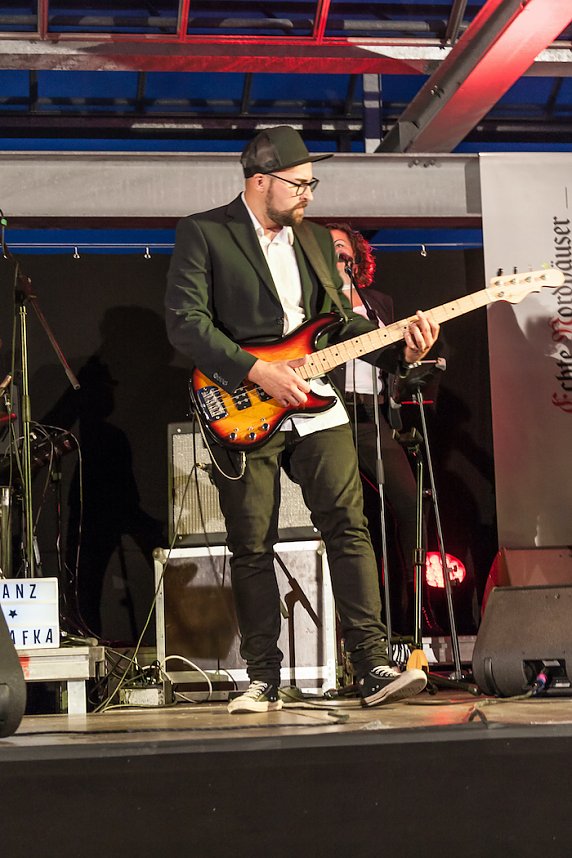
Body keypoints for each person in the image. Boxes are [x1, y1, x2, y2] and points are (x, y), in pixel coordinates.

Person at [165, 126, 439, 714]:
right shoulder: (205, 231)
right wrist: (257, 371)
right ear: (259, 180)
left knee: (348, 522)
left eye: (313, 183)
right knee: (251, 542)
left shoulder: (315, 240)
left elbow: (336, 324)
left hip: (315, 400)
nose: (308, 194)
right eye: (299, 183)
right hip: (244, 399)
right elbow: (187, 323)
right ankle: (263, 677)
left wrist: (399, 349)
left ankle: (371, 664)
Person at [327, 223, 425, 631]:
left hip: (373, 417)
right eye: (331, 250)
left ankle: (414, 618)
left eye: (344, 249)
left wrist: (415, 357)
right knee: (347, 516)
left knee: (410, 503)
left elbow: (396, 361)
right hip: (330, 414)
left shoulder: (378, 302)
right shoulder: (313, 302)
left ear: (357, 257)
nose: (340, 255)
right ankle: (349, 626)